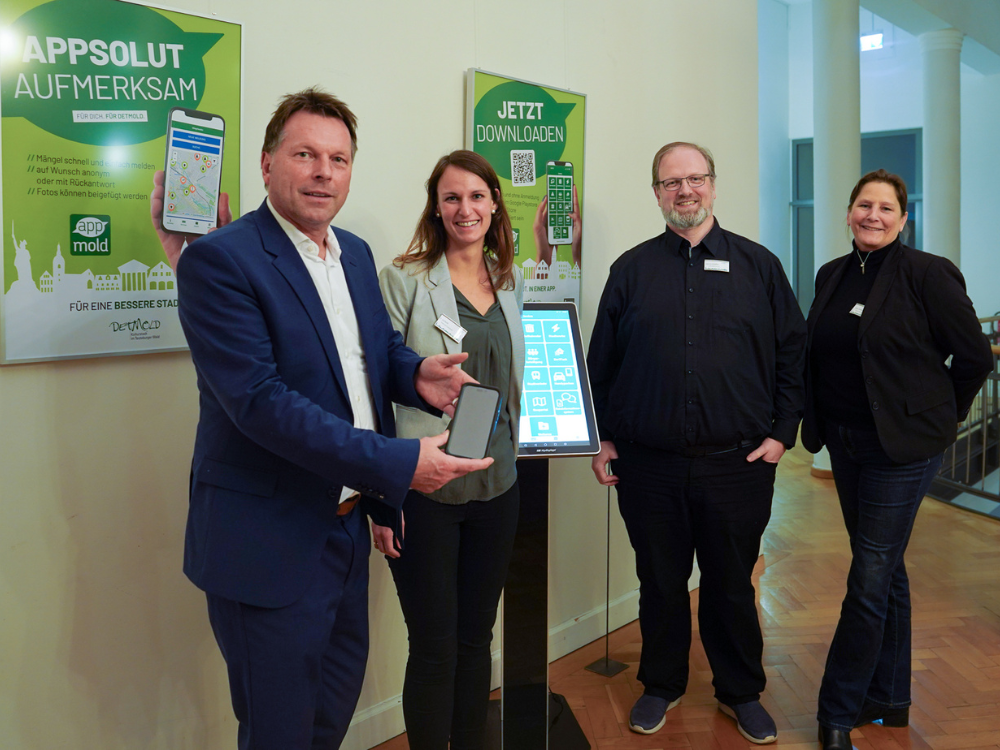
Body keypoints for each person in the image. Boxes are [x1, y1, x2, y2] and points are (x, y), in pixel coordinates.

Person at [158, 88, 494, 750]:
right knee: (279, 732)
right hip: (268, 542)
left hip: (343, 534)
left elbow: (369, 358)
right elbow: (260, 402)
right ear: (266, 164)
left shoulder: (356, 254)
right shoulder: (221, 260)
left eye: (338, 159)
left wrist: (415, 375)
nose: (322, 172)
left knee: (328, 719)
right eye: (305, 154)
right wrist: (402, 463)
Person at [587, 142, 807, 743]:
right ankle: (661, 684)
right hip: (647, 465)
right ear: (656, 192)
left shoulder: (759, 267)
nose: (685, 191)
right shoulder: (630, 270)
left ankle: (741, 692)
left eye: (695, 179)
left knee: (731, 584)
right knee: (659, 582)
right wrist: (602, 439)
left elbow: (794, 356)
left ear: (713, 184)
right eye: (671, 182)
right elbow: (599, 364)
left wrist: (782, 436)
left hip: (737, 464)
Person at [802, 170, 994, 750]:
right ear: (849, 212)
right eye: (864, 204)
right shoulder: (831, 275)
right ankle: (889, 696)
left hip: (901, 449)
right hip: (847, 443)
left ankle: (837, 710)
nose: (874, 215)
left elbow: (975, 357)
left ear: (904, 219)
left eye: (887, 208)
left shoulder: (928, 273)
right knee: (884, 569)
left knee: (868, 576)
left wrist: (939, 415)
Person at [373, 150, 524, 750]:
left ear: (494, 205)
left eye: (478, 196)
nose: (466, 208)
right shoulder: (405, 277)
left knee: (476, 639)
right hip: (425, 490)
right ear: (437, 206)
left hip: (499, 487)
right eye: (453, 197)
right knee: (434, 647)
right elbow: (375, 388)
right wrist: (382, 498)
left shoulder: (507, 281)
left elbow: (514, 382)